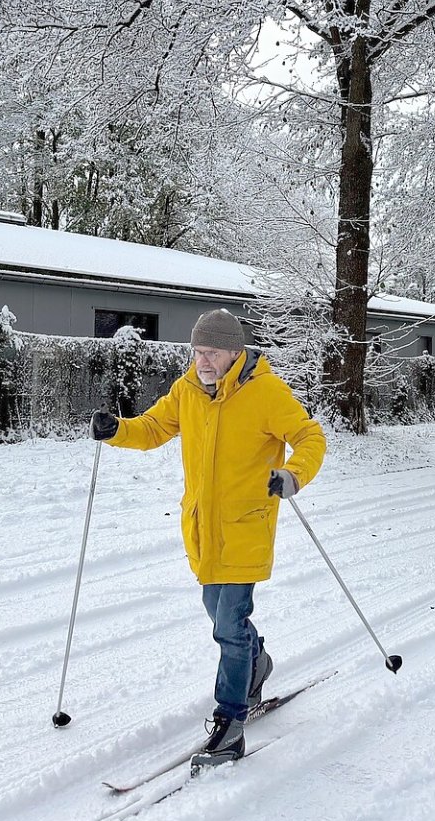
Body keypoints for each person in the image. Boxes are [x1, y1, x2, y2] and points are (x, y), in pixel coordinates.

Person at [90, 308, 326, 768]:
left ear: (234, 353)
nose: (202, 360)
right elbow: (154, 428)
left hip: (245, 526)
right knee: (217, 613)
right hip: (203, 530)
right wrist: (117, 430)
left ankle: (230, 724)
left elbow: (310, 437)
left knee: (229, 626)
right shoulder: (188, 391)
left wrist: (293, 475)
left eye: (211, 352)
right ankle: (257, 665)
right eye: (197, 351)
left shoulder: (266, 392)